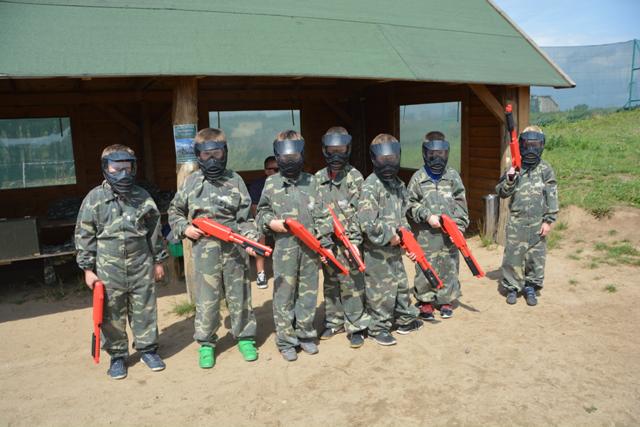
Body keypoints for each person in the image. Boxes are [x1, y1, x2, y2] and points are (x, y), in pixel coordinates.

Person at [168, 128, 259, 368]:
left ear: (224, 152)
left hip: (235, 248)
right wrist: (185, 229)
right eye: (206, 155)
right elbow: (174, 211)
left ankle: (245, 337)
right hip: (204, 249)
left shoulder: (235, 180)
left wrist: (250, 239)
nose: (212, 160)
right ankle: (206, 343)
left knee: (240, 295)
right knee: (207, 299)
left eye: (217, 154)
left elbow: (246, 218)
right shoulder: (191, 182)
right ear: (198, 155)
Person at [75, 144, 167, 380]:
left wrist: (158, 261)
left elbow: (154, 231)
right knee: (111, 312)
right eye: (116, 169)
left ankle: (147, 350)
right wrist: (87, 269)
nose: (123, 174)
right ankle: (117, 356)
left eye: (127, 168)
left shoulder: (142, 196)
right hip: (108, 268)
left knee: (145, 308)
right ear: (106, 168)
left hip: (141, 264)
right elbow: (84, 235)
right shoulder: (94, 199)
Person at [256, 130, 332, 361]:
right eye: (285, 156)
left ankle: (305, 335)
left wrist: (325, 243)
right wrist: (271, 223)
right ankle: (286, 340)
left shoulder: (312, 182)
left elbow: (324, 216)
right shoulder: (272, 183)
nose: (290, 161)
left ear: (302, 154)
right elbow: (261, 213)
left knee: (308, 294)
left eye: (294, 155)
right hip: (284, 250)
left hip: (310, 250)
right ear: (277, 156)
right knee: (284, 295)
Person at [358, 134, 423, 346]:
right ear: (374, 158)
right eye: (382, 159)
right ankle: (378, 328)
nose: (388, 163)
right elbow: (367, 223)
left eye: (392, 158)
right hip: (377, 251)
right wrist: (390, 235)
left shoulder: (398, 185)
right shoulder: (371, 186)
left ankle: (405, 320)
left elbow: (403, 216)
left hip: (395, 248)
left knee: (401, 285)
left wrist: (407, 239)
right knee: (380, 291)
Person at [314, 126, 369, 348]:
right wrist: (323, 242)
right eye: (332, 150)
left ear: (348, 149)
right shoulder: (318, 178)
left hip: (349, 243)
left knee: (352, 283)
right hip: (327, 243)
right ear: (324, 149)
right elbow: (315, 212)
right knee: (330, 283)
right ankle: (334, 321)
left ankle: (356, 325)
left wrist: (354, 242)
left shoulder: (355, 177)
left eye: (341, 150)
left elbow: (361, 213)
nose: (336, 155)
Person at [407, 131, 469, 320]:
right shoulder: (418, 177)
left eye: (440, 154)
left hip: (449, 236)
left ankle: (445, 300)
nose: (437, 158)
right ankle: (425, 300)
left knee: (449, 266)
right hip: (425, 236)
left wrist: (459, 228)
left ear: (446, 152)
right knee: (425, 267)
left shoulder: (452, 176)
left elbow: (461, 204)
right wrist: (426, 216)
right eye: (432, 154)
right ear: (425, 153)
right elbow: (409, 204)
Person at [496, 125, 558, 306]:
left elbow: (552, 195)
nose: (531, 149)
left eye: (535, 145)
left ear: (541, 145)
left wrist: (548, 221)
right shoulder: (515, 167)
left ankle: (531, 287)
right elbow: (502, 192)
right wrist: (510, 178)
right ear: (521, 145)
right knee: (513, 256)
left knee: (535, 257)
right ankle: (512, 287)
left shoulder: (545, 169)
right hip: (517, 222)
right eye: (527, 144)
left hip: (538, 222)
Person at [248, 156, 278, 289]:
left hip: (281, 222)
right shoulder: (258, 185)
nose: (276, 172)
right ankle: (261, 273)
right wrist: (266, 223)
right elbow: (255, 209)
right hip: (263, 221)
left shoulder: (284, 183)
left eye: (278, 169)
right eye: (273, 169)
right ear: (266, 170)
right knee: (259, 236)